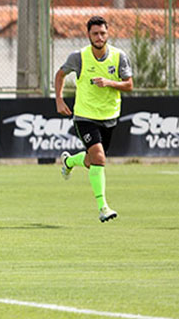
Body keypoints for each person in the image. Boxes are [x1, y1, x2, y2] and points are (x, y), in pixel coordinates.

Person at [55, 15, 133, 222]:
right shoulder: (79, 57)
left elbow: (129, 85)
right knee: (99, 158)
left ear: (108, 33)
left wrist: (109, 82)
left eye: (102, 33)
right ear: (88, 35)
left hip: (109, 116)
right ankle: (103, 207)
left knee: (92, 161)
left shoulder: (118, 56)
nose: (99, 37)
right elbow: (60, 75)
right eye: (95, 33)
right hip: (85, 116)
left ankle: (69, 161)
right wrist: (59, 100)